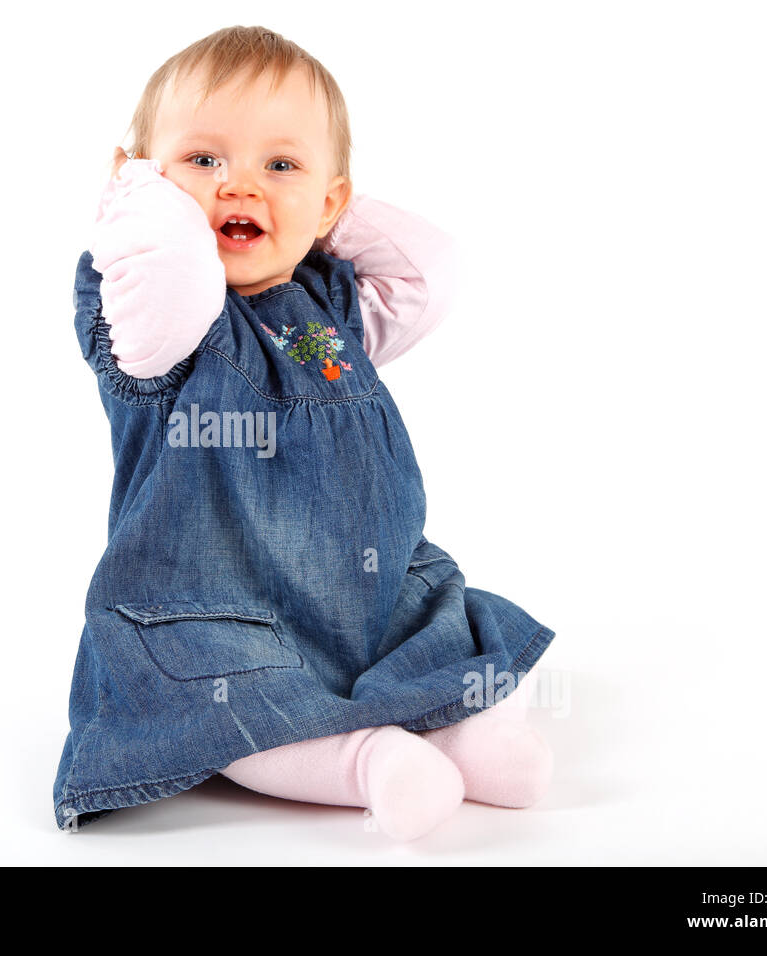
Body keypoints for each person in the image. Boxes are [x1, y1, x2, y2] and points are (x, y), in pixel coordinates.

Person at [55, 26, 555, 841]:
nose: (239, 188)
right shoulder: (150, 313)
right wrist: (137, 191)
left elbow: (431, 274)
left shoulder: (329, 305)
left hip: (364, 597)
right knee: (224, 709)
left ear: (329, 202)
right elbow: (174, 266)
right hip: (212, 615)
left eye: (279, 166)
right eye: (203, 160)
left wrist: (327, 214)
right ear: (141, 183)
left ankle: (473, 732)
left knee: (460, 623)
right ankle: (367, 762)